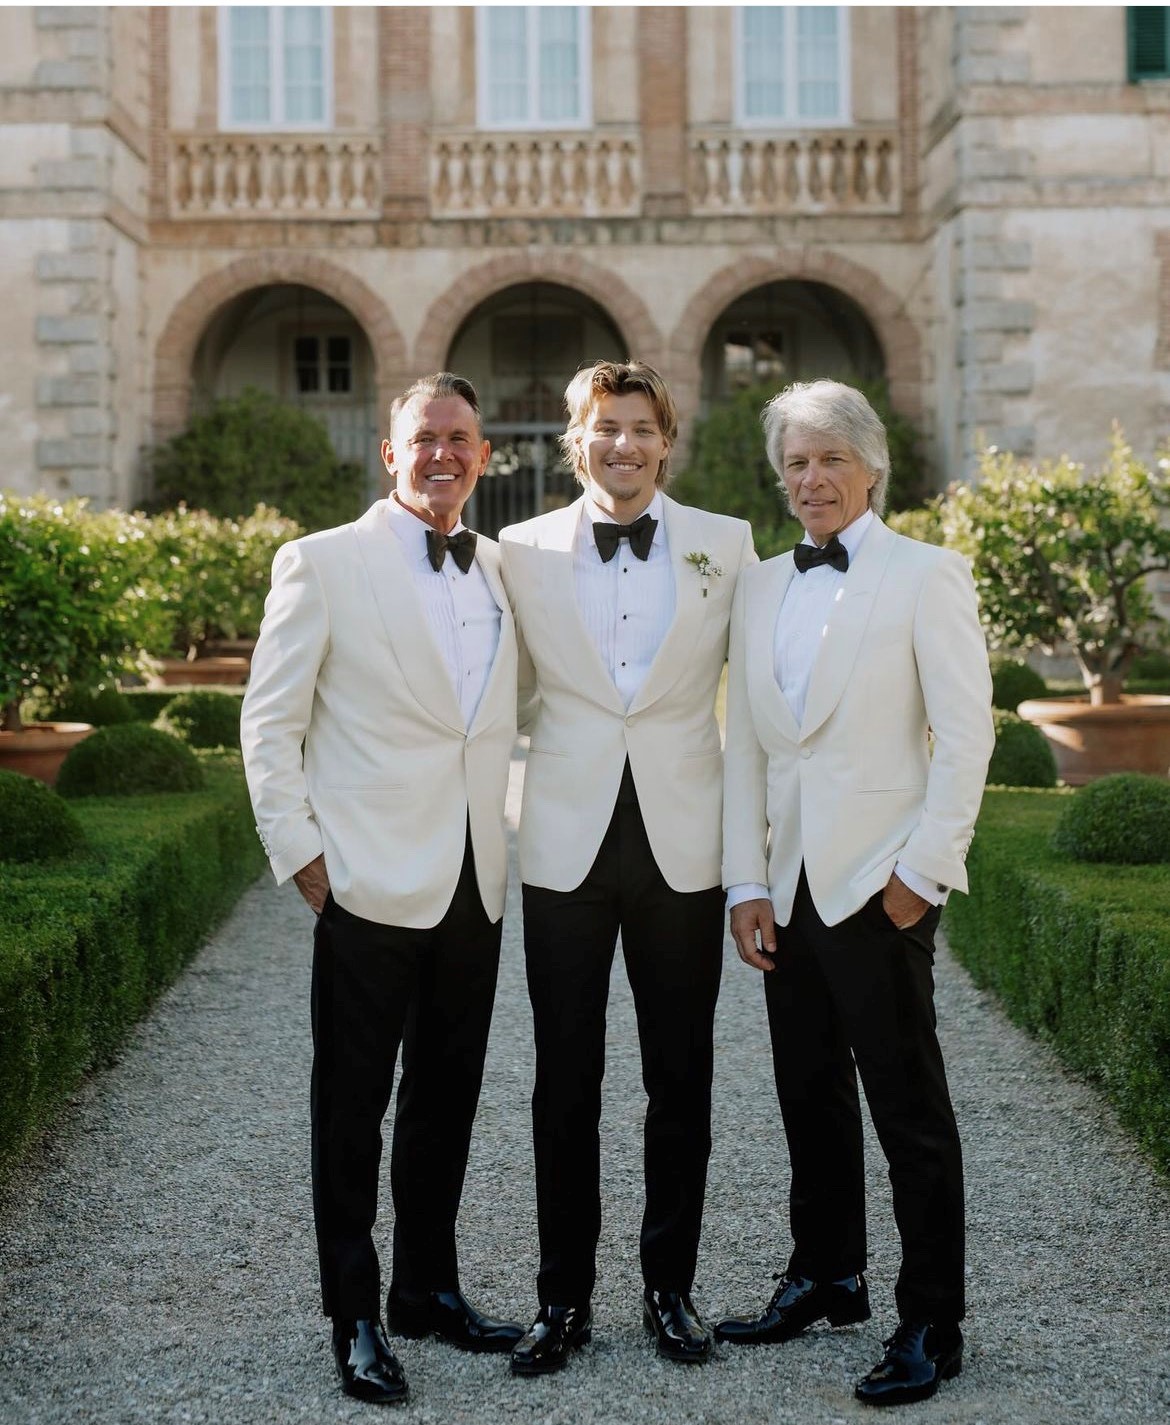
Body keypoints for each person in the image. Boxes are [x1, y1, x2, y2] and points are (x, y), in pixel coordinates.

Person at [239, 372, 524, 1405]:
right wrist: (301, 853)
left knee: (446, 1099)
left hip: (475, 879)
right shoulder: (321, 562)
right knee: (351, 1107)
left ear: (483, 456)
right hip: (363, 880)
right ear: (390, 452)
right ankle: (353, 1313)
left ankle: (428, 1290)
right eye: (424, 437)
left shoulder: (505, 569)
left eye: (460, 438)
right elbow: (269, 723)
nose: (442, 453)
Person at [716, 379, 994, 1407]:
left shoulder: (927, 574)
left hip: (883, 882)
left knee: (908, 1109)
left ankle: (933, 1320)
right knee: (810, 1095)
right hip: (786, 889)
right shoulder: (758, 585)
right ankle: (828, 1275)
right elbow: (747, 744)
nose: (812, 478)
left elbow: (966, 734)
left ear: (871, 465)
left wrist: (921, 873)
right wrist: (747, 878)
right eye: (796, 461)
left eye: (831, 457)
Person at [498, 359, 756, 1375]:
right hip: (563, 837)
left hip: (683, 841)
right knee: (563, 1080)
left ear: (667, 441)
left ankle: (670, 1289)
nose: (624, 444)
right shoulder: (518, 551)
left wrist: (752, 863)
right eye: (606, 427)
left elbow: (760, 705)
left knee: (680, 1077)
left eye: (642, 428)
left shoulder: (726, 544)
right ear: (577, 440)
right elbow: (498, 692)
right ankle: (561, 1299)